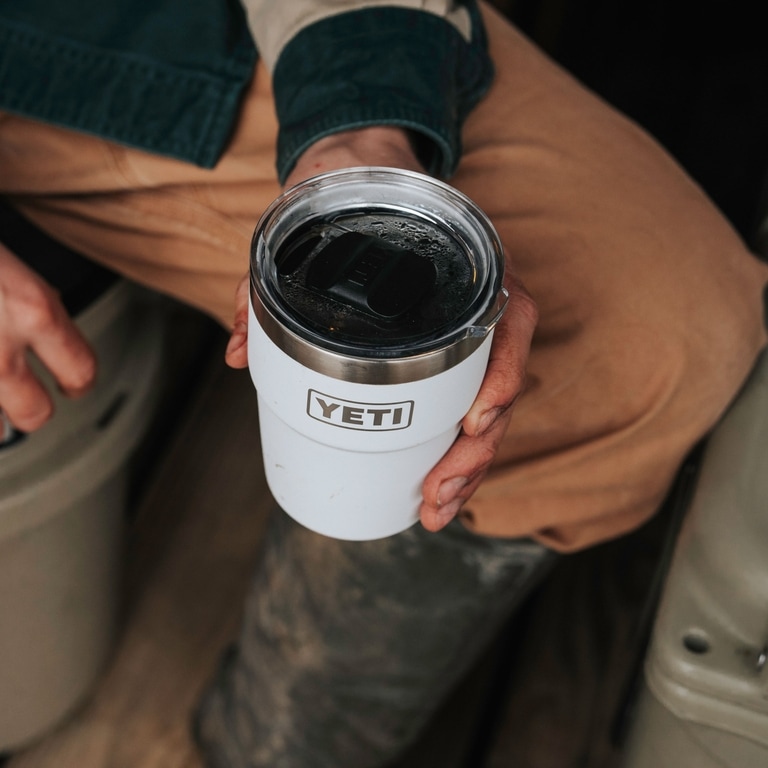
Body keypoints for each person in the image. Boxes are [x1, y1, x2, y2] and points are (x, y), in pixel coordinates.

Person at [0, 1, 766, 765]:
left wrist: (361, 125)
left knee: (666, 335)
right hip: (37, 75)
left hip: (181, 30)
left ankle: (276, 745)